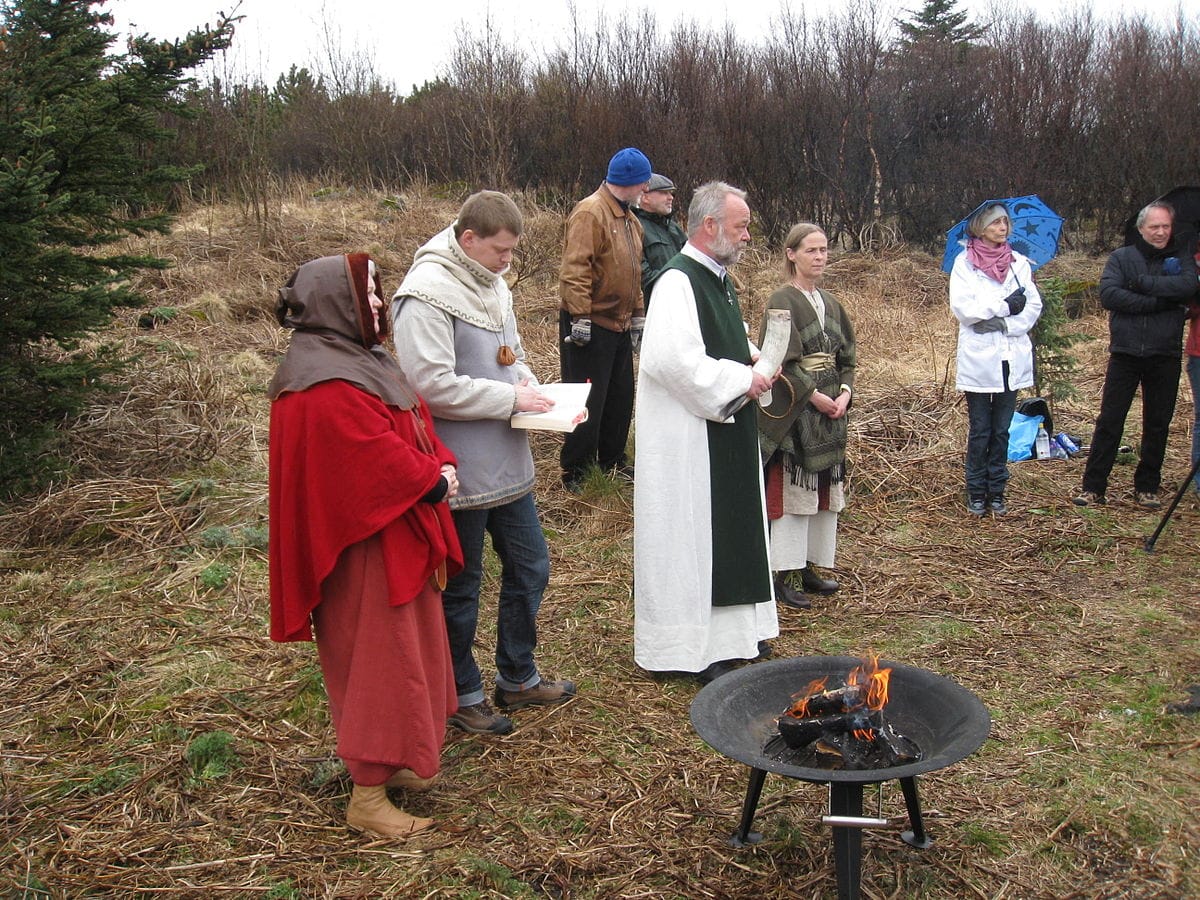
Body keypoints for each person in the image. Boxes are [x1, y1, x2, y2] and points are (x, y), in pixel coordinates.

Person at [268, 253, 463, 839]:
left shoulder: (362, 358)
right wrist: (430, 481)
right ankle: (368, 796)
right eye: (370, 295)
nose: (380, 304)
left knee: (410, 652)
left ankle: (397, 760)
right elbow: (365, 456)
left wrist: (442, 464)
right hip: (361, 549)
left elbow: (413, 420)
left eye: (378, 293)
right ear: (337, 303)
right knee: (382, 662)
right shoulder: (319, 380)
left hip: (396, 534)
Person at [392, 191, 576, 737]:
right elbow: (429, 385)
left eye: (513, 252)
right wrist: (511, 400)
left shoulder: (491, 282)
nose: (507, 263)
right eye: (500, 251)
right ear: (467, 239)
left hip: (508, 461)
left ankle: (517, 676)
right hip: (459, 470)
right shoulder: (424, 294)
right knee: (462, 586)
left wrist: (541, 393)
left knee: (531, 568)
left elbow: (510, 356)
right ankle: (462, 694)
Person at [633, 181, 779, 684]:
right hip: (688, 440)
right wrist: (744, 378)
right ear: (709, 225)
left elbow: (718, 342)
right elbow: (671, 361)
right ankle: (686, 647)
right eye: (740, 227)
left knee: (727, 528)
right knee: (692, 537)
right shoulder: (678, 280)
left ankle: (732, 638)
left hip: (723, 428)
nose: (746, 237)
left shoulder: (715, 278)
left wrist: (754, 358)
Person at [758, 224, 856, 610]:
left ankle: (810, 566)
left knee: (823, 493)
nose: (819, 256)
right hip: (798, 412)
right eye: (811, 250)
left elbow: (847, 357)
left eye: (824, 249)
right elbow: (779, 358)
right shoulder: (781, 300)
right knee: (793, 492)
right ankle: (783, 573)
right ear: (791, 254)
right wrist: (813, 397)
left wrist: (844, 394)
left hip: (833, 413)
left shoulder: (833, 303)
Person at [1075, 201, 1196, 508]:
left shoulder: (1181, 257)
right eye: (1154, 227)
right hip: (1125, 352)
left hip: (1164, 353)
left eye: (1165, 226)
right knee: (1110, 420)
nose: (1160, 232)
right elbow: (1110, 295)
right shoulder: (1122, 257)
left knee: (1157, 422)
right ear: (1141, 229)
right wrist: (1159, 302)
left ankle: (1147, 487)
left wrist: (1141, 285)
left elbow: (1187, 288)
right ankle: (1093, 487)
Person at [559, 147, 653, 491]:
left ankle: (612, 463)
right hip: (590, 324)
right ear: (628, 182)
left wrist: (638, 316)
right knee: (586, 401)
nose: (646, 190)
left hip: (619, 324)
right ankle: (577, 472)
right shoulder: (590, 213)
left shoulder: (631, 221)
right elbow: (575, 268)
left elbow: (634, 273)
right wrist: (579, 316)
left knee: (619, 397)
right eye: (643, 184)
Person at [948, 203, 1043, 517]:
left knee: (1002, 429)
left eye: (1005, 222)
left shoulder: (1019, 263)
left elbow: (1031, 307)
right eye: (996, 223)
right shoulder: (965, 263)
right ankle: (976, 491)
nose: (1003, 228)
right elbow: (966, 310)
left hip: (1010, 355)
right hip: (979, 358)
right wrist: (1004, 306)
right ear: (981, 227)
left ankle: (997, 491)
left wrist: (1005, 323)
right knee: (980, 429)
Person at [633, 173, 687, 302]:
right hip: (651, 309)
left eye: (671, 193)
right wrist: (679, 284)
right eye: (664, 193)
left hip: (679, 305)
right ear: (645, 197)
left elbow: (692, 263)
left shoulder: (674, 228)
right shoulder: (634, 226)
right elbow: (641, 276)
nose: (671, 198)